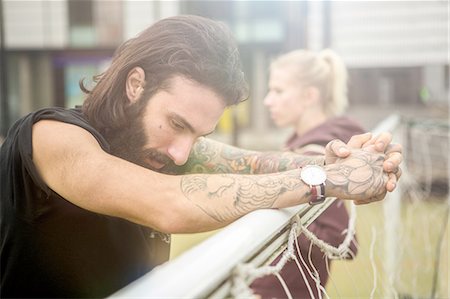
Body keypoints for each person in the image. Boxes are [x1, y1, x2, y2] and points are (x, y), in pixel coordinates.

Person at [0, 15, 402, 298]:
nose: (182, 152)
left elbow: (261, 163)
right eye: (176, 123)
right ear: (135, 85)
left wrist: (346, 164)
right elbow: (169, 203)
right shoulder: (50, 138)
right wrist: (325, 181)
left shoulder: (159, 147)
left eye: (198, 134)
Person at [251, 49, 366, 298]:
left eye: (278, 91)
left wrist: (279, 215)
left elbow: (343, 242)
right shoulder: (300, 147)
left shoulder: (317, 158)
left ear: (309, 96)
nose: (267, 100)